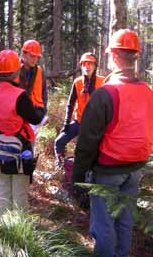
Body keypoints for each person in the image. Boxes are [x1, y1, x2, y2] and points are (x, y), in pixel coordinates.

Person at [72, 29, 153, 257]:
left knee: (104, 227)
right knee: (125, 221)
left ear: (115, 56)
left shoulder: (106, 93)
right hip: (135, 170)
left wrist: (77, 178)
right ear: (134, 56)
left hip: (108, 171)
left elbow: (87, 142)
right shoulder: (148, 92)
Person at [0, 49, 44, 213]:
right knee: (19, 196)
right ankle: (19, 233)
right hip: (20, 150)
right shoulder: (19, 95)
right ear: (16, 71)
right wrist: (40, 110)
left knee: (3, 194)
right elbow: (35, 118)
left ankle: (4, 231)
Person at [54, 53, 104, 167]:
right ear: (81, 66)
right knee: (59, 142)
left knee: (86, 151)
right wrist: (66, 123)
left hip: (94, 125)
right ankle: (61, 166)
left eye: (90, 64)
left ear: (95, 66)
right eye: (84, 64)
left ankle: (91, 174)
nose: (87, 66)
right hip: (79, 122)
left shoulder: (102, 82)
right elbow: (70, 104)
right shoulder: (77, 82)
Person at [19, 39, 47, 117]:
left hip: (36, 112)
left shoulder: (39, 71)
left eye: (37, 57)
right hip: (19, 113)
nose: (34, 59)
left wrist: (43, 111)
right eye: (32, 56)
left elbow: (44, 92)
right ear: (23, 54)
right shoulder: (15, 70)